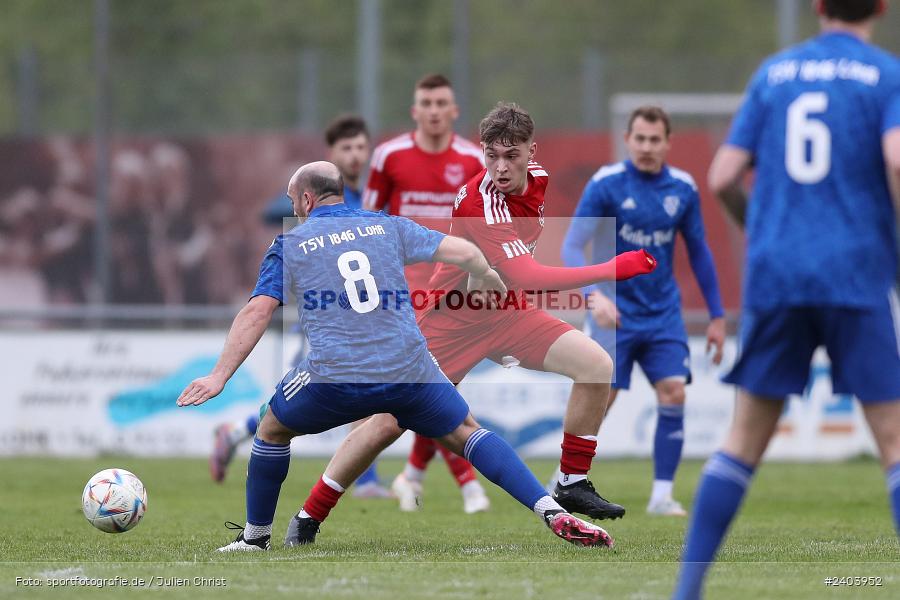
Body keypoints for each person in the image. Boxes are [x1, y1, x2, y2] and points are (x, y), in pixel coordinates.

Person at [178, 161, 615, 551]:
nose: (295, 209)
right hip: (410, 369)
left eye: (294, 201)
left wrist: (220, 375)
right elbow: (463, 251)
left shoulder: (290, 243)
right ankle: (550, 510)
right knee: (466, 431)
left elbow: (258, 310)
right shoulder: (385, 225)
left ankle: (255, 538)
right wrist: (486, 275)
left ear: (307, 199)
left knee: (271, 429)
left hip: (336, 376)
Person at [285, 102, 660, 545]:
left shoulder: (538, 180)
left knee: (597, 364)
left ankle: (571, 481)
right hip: (451, 322)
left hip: (506, 314)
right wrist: (610, 268)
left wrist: (497, 280)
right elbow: (530, 277)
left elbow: (518, 264)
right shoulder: (482, 200)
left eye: (511, 156)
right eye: (491, 156)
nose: (500, 168)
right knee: (386, 423)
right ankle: (308, 517)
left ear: (531, 152)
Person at [673, 1, 900, 597]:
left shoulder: (774, 73)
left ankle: (686, 592)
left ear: (819, 8)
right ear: (879, 8)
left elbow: (722, 175)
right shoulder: (885, 74)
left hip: (779, 274)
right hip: (854, 272)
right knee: (895, 443)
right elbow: (898, 160)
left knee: (743, 440)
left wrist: (763, 233)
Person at [210, 114, 391, 498]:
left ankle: (235, 432)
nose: (355, 155)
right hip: (320, 323)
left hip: (355, 321)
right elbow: (274, 212)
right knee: (306, 405)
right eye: (346, 148)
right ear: (331, 154)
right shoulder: (317, 193)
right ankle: (369, 482)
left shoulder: (371, 200)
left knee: (313, 403)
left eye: (361, 147)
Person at [561, 106, 725, 517]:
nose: (648, 147)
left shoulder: (683, 189)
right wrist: (594, 297)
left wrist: (718, 316)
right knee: (604, 396)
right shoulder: (606, 184)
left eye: (656, 140)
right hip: (612, 311)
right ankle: (567, 480)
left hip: (662, 314)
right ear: (628, 139)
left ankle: (662, 495)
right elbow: (570, 245)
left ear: (668, 143)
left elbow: (700, 252)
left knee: (674, 392)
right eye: (641, 138)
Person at [363, 73, 489, 513]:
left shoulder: (474, 159)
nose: (434, 110)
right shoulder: (389, 156)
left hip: (454, 288)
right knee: (434, 384)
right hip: (405, 291)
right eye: (426, 103)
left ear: (454, 111)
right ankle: (469, 485)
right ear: (415, 111)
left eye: (442, 103)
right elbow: (369, 220)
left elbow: (482, 225)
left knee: (438, 385)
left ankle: (413, 475)